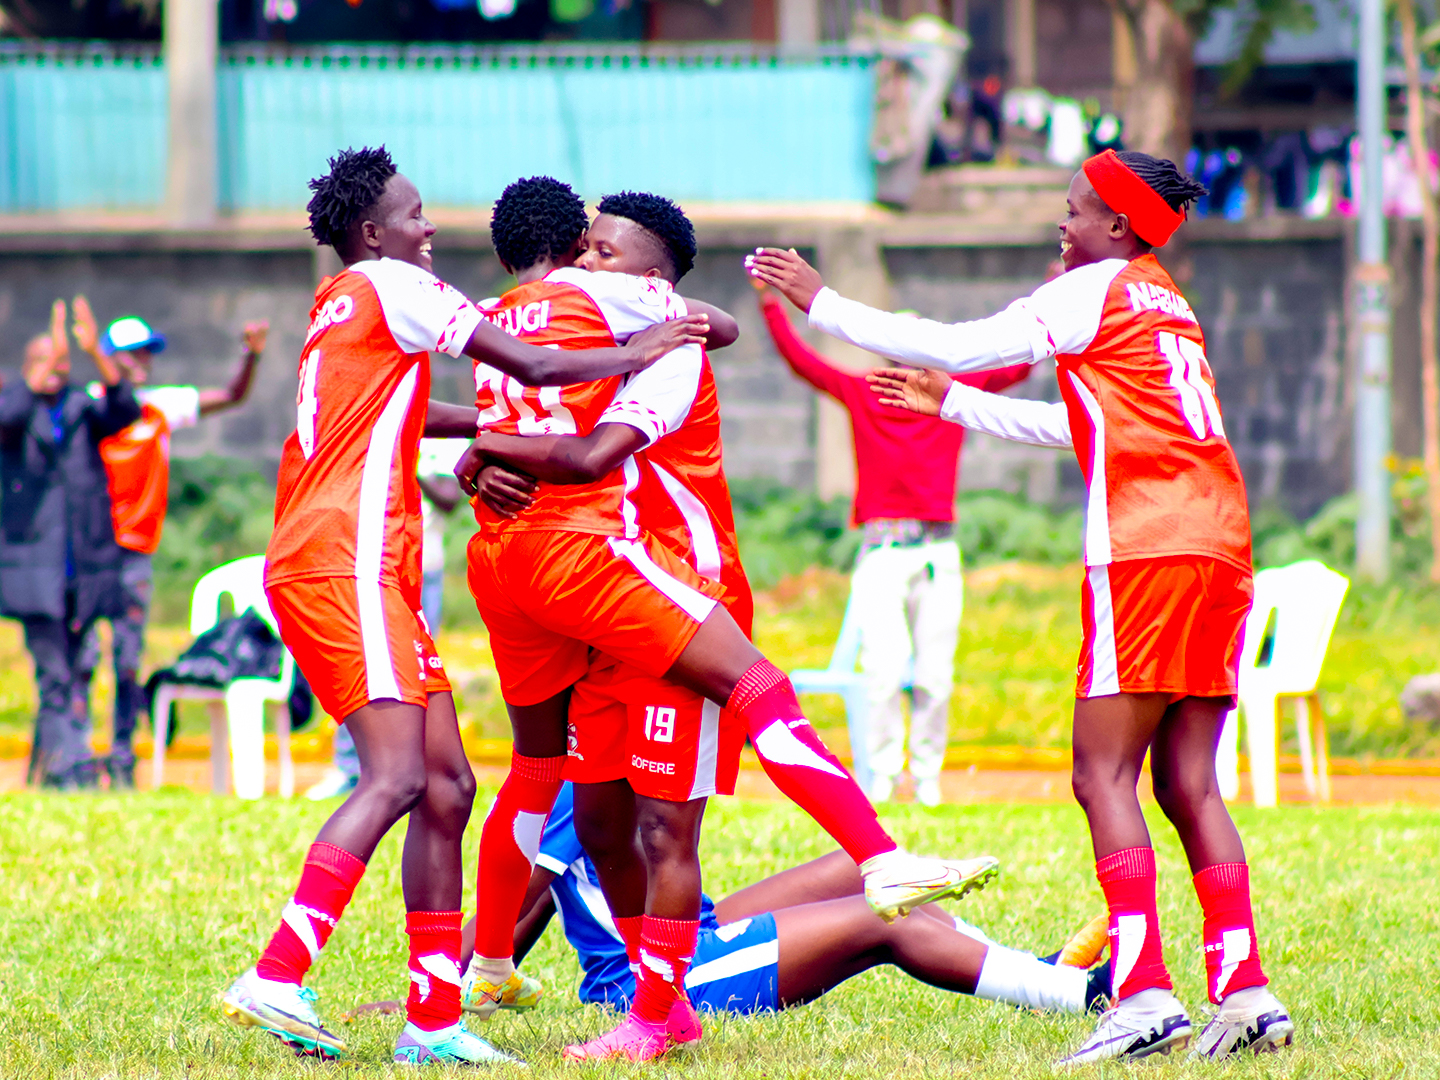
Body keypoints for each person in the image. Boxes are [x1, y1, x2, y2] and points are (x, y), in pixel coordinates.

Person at [748, 148, 1294, 1065]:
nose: (1063, 224)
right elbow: (1089, 426)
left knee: (1101, 775)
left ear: (1117, 224)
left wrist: (823, 302)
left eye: (1075, 210)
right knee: (1187, 782)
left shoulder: (1091, 287)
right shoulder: (1166, 301)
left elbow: (961, 341)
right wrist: (953, 406)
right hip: (1221, 544)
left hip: (1146, 546)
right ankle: (1244, 992)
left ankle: (1143, 994)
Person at [455, 180, 997, 1063]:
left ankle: (863, 871)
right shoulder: (601, 331)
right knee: (599, 820)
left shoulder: (655, 347)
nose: (589, 261)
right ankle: (641, 995)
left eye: (606, 250)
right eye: (585, 247)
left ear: (650, 279)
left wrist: (484, 449)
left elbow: (595, 444)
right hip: (611, 584)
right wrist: (485, 451)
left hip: (677, 585)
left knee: (664, 819)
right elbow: (554, 398)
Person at [217, 146, 707, 1068]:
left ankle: (434, 1020)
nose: (430, 225)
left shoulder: (342, 300)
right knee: (398, 779)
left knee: (449, 786)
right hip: (346, 558)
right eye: (414, 214)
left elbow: (416, 414)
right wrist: (638, 350)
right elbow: (530, 362)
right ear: (374, 233)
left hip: (357, 563)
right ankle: (276, 974)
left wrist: (493, 437)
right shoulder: (398, 284)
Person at [355, 781, 1113, 1024]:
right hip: (664, 977)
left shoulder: (625, 727)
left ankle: (1030, 968)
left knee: (855, 869)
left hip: (695, 928)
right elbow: (519, 900)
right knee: (886, 920)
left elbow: (541, 903)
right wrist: (435, 997)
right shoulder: (575, 771)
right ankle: (1081, 996)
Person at [756, 281, 1032, 805]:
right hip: (882, 551)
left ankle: (926, 780)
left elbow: (1018, 365)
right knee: (882, 672)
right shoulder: (865, 392)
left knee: (934, 676)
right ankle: (883, 778)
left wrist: (1056, 294)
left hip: (937, 550)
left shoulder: (950, 395)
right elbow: (801, 361)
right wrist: (771, 304)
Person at [66, 300, 268, 788]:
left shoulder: (161, 404)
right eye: (131, 353)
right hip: (90, 553)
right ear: (108, 356)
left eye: (146, 353)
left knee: (127, 657)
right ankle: (76, 757)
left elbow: (231, 396)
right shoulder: (89, 405)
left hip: (135, 552)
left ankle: (121, 758)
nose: (142, 361)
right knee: (82, 656)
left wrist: (251, 355)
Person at [0, 300, 139, 790]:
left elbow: (125, 409)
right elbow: (9, 416)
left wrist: (93, 349)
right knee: (55, 673)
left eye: (62, 363)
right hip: (34, 571)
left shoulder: (81, 407)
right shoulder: (14, 408)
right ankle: (67, 771)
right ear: (28, 367)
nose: (57, 369)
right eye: (46, 361)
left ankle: (50, 769)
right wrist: (45, 364)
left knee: (76, 670)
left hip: (84, 569)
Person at [304, 437, 467, 803]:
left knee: (418, 674)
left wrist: (406, 462)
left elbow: (449, 499)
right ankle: (351, 767)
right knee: (366, 671)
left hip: (424, 572)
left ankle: (411, 770)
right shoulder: (370, 429)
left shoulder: (441, 444)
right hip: (374, 569)